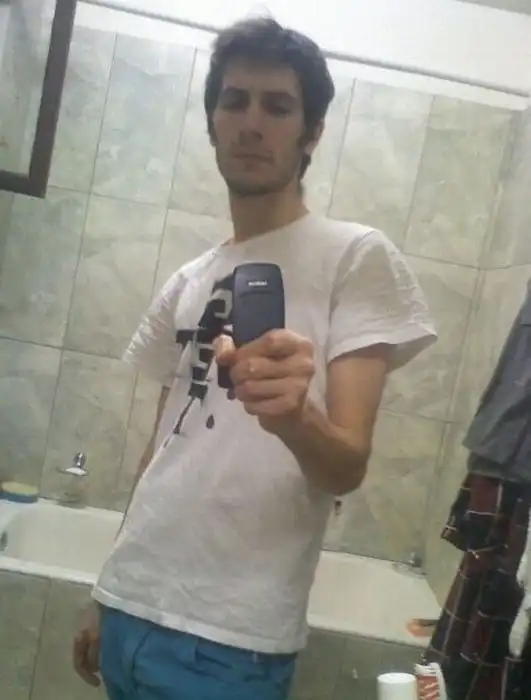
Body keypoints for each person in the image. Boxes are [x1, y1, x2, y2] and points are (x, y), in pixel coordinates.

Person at [73, 16, 437, 700]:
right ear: (212, 122)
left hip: (229, 639)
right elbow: (161, 450)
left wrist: (295, 417)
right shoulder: (188, 278)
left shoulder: (356, 256)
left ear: (311, 132)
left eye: (277, 106)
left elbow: (347, 465)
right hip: (129, 605)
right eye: (234, 101)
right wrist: (105, 590)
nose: (251, 123)